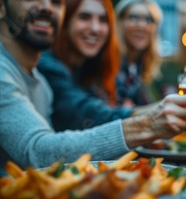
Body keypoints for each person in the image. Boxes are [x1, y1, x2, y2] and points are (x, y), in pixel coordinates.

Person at [0, 0, 186, 182]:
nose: (46, 6)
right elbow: (37, 152)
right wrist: (148, 124)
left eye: (56, 1)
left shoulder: (41, 83)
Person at [36, 0, 153, 130]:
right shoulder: (47, 63)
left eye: (103, 20)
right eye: (84, 17)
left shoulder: (93, 67)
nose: (95, 28)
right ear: (65, 21)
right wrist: (153, 113)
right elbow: (85, 114)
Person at [115, 0, 173, 107]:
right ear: (120, 22)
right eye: (133, 17)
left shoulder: (139, 67)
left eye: (149, 20)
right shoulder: (109, 64)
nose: (141, 25)